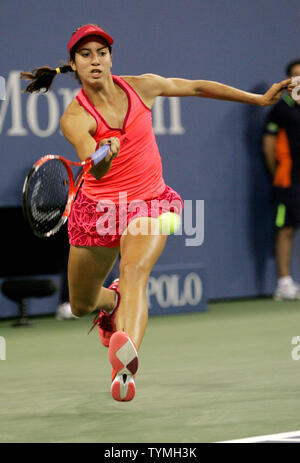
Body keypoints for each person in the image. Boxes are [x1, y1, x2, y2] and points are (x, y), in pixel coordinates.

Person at [21, 24, 293, 402]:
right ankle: (111, 304)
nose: (95, 60)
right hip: (98, 212)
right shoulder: (74, 117)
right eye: (85, 54)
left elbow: (196, 87)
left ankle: (124, 365)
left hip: (150, 202)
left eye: (102, 52)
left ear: (111, 58)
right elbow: (94, 166)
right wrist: (104, 153)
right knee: (82, 303)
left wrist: (260, 99)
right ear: (74, 64)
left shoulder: (142, 86)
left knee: (134, 272)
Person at [262, 59, 300, 301]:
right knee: (286, 228)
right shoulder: (281, 107)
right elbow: (268, 144)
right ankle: (284, 283)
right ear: (288, 81)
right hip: (288, 178)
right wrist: (277, 172)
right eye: (295, 76)